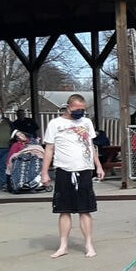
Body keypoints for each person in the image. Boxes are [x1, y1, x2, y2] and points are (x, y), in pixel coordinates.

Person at [41, 94, 105, 258]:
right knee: (64, 210)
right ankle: (63, 245)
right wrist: (44, 172)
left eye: (83, 109)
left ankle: (89, 244)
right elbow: (49, 149)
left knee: (85, 210)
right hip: (64, 169)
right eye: (77, 109)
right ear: (68, 107)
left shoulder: (86, 122)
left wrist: (98, 166)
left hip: (84, 169)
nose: (80, 112)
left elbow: (91, 145)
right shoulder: (55, 124)